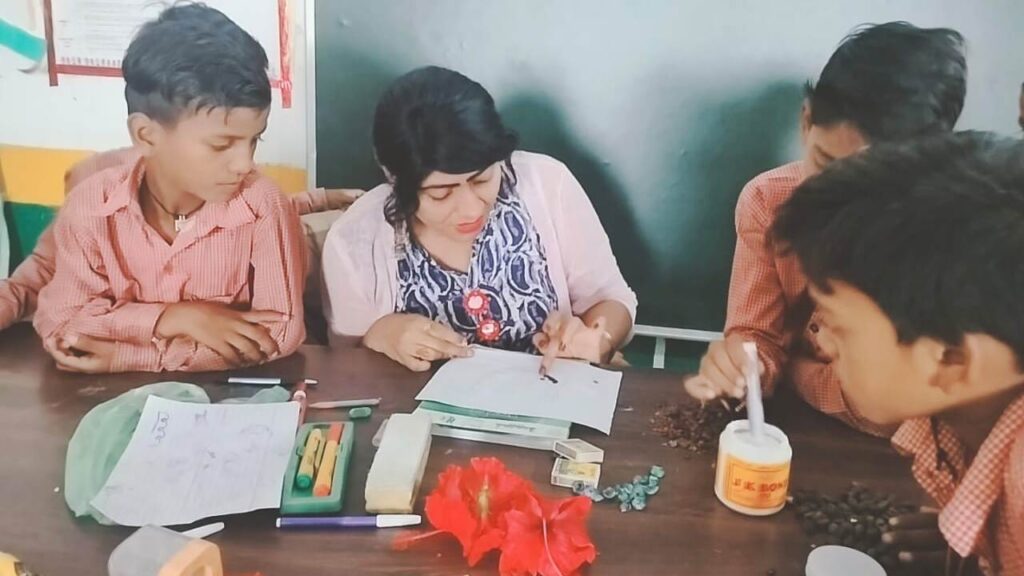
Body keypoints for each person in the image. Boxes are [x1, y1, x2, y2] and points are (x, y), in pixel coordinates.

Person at [686, 22, 967, 436]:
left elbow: (885, 413)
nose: (840, 198)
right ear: (806, 122)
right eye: (825, 163)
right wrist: (744, 367)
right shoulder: (767, 202)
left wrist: (791, 372)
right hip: (790, 430)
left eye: (872, 182)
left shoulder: (954, 235)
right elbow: (755, 339)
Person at [771, 131, 1023, 576]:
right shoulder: (966, 417)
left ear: (951, 360)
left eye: (840, 326)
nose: (821, 340)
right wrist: (983, 551)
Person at [33, 4, 306, 373]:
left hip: (225, 397)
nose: (244, 163)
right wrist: (173, 318)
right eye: (221, 144)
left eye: (255, 139)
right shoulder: (91, 206)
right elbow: (63, 323)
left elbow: (281, 333)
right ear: (146, 135)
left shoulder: (263, 204)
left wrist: (134, 355)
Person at [322, 66, 636, 372]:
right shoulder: (354, 241)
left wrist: (599, 339)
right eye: (441, 193)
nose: (471, 209)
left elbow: (610, 298)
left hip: (552, 393)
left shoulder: (548, 184)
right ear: (394, 177)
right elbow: (345, 366)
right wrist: (379, 335)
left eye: (482, 179)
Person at [0, 146, 360, 333]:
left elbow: (254, 210)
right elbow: (32, 279)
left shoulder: (211, 181)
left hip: (301, 260)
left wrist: (321, 199)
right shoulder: (92, 203)